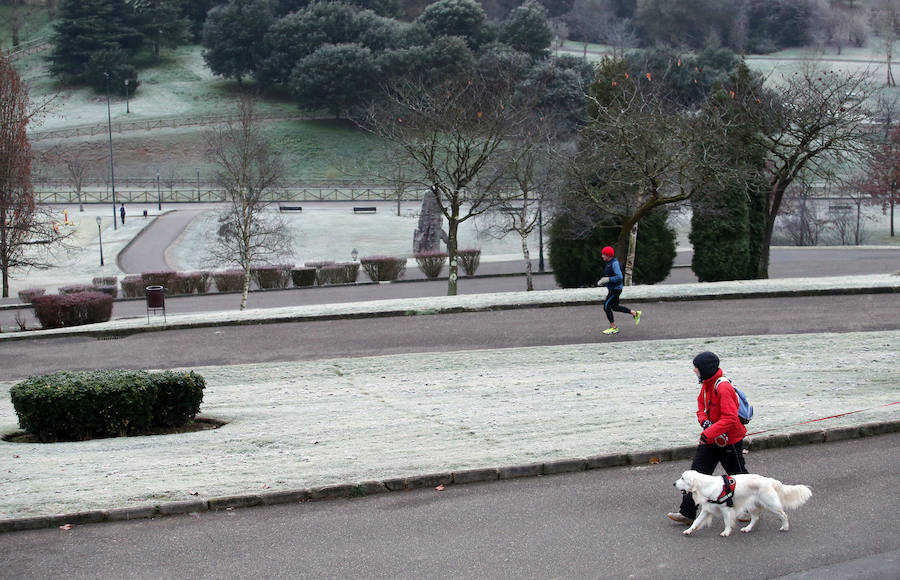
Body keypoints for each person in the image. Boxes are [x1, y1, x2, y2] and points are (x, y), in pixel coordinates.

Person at [667, 351, 749, 526]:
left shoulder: (723, 387)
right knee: (695, 474)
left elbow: (730, 418)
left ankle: (749, 508)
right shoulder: (706, 385)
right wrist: (705, 424)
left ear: (704, 369)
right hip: (712, 439)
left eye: (696, 368)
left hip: (729, 441)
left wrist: (707, 432)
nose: (694, 371)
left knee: (739, 476)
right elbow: (701, 407)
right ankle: (687, 513)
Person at [596, 246, 641, 334]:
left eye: (604, 254)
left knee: (606, 307)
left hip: (615, 289)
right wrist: (604, 281)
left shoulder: (614, 263)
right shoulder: (609, 262)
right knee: (615, 307)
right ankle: (635, 313)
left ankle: (614, 327)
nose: (602, 256)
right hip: (613, 288)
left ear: (608, 255)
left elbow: (619, 277)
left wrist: (607, 280)